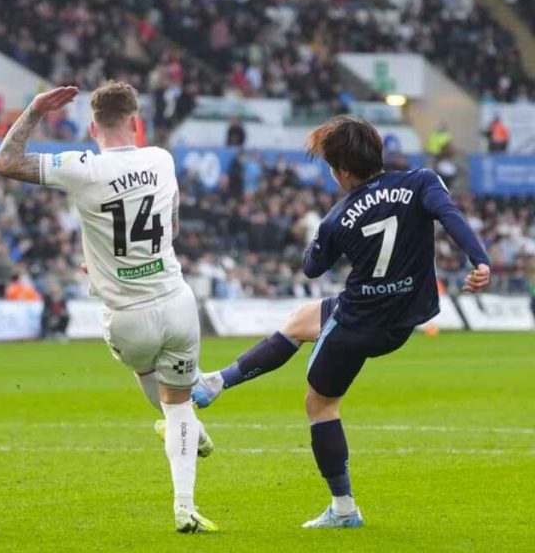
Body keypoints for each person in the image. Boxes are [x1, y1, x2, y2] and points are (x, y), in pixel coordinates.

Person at [192, 116, 491, 528]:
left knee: (320, 404)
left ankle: (344, 509)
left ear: (342, 171)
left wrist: (321, 233)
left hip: (358, 322)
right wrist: (480, 260)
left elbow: (313, 268)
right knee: (299, 321)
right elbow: (451, 215)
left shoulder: (338, 216)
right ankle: (216, 382)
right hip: (403, 314)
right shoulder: (422, 180)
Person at [0, 82, 218, 533]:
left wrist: (35, 108)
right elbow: (168, 226)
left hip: (127, 317)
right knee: (178, 408)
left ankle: (188, 428)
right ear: (137, 123)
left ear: (92, 127)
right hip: (176, 302)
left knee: (153, 380)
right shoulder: (161, 159)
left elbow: (4, 163)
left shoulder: (83, 167)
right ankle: (184, 505)